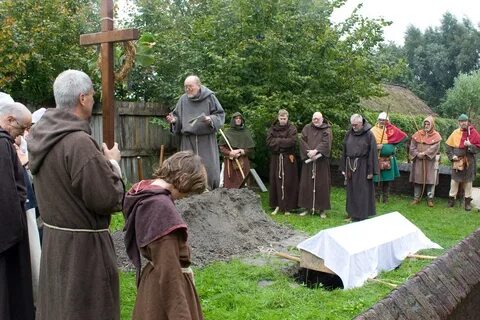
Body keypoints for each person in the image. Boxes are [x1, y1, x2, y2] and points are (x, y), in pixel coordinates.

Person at [27, 70, 125, 319]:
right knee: (86, 310)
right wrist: (112, 165)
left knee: (60, 308)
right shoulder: (78, 143)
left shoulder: (41, 136)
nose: (93, 100)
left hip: (55, 243)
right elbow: (108, 199)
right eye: (92, 95)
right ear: (83, 98)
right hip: (84, 253)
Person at [123, 151, 207, 320]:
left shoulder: (145, 192)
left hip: (153, 281)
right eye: (188, 192)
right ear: (183, 179)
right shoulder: (161, 208)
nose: (184, 197)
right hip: (163, 292)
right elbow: (169, 272)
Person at [0, 101, 35, 320]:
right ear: (9, 120)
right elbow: (6, 192)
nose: (20, 136)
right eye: (20, 129)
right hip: (6, 238)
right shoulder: (2, 145)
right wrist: (18, 233)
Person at [166, 75, 225, 190]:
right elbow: (177, 117)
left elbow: (220, 115)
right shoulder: (183, 100)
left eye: (190, 86)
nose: (188, 89)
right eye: (185, 87)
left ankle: (210, 191)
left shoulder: (210, 97)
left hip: (206, 140)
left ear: (198, 85)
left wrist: (210, 119)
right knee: (187, 168)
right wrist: (174, 121)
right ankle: (188, 192)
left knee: (209, 168)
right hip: (188, 140)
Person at [340, 114, 379, 221]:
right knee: (351, 191)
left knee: (362, 191)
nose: (353, 127)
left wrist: (371, 171)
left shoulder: (369, 135)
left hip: (363, 166)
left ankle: (362, 215)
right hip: (350, 165)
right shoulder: (349, 134)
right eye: (352, 125)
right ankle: (352, 214)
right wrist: (344, 167)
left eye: (355, 125)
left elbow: (373, 153)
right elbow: (344, 151)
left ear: (361, 123)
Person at [298, 112, 332, 218]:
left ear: (322, 119)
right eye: (314, 119)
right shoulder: (307, 128)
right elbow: (302, 140)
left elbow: (326, 143)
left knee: (322, 185)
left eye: (317, 118)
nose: (315, 120)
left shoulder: (327, 129)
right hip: (308, 161)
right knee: (306, 185)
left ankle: (322, 210)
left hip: (321, 162)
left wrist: (316, 151)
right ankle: (307, 208)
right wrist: (309, 152)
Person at [267, 109, 299, 215]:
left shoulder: (292, 128)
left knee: (288, 181)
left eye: (284, 118)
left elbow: (292, 141)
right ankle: (277, 204)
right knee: (276, 180)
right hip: (276, 158)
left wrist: (278, 141)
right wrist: (283, 141)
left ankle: (288, 206)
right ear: (278, 118)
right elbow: (269, 142)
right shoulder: (273, 128)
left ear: (287, 118)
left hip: (288, 159)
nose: (282, 121)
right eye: (281, 118)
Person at [445, 113, 480, 211]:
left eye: (464, 121)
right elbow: (448, 147)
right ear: (459, 122)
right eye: (461, 121)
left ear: (468, 122)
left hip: (469, 162)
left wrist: (470, 145)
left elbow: (478, 147)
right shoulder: (455, 133)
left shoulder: (473, 133)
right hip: (457, 161)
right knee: (454, 182)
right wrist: (452, 156)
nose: (463, 123)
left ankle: (467, 203)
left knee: (468, 183)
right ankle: (451, 200)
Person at [371, 112, 408, 203]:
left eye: (384, 120)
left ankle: (385, 199)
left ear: (387, 121)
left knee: (387, 181)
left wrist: (394, 146)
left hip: (389, 159)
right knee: (376, 180)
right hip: (377, 158)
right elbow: (367, 143)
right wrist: (376, 146)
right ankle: (376, 198)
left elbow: (404, 137)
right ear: (377, 120)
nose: (382, 122)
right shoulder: (373, 130)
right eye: (380, 120)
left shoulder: (391, 130)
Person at [409, 116, 442, 207]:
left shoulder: (436, 136)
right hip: (419, 161)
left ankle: (430, 199)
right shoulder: (417, 134)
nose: (426, 125)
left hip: (430, 161)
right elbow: (412, 147)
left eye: (428, 124)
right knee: (418, 179)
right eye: (425, 124)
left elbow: (435, 147)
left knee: (431, 179)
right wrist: (417, 154)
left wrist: (425, 153)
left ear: (432, 125)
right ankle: (416, 198)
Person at [218, 112, 255, 188]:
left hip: (243, 161)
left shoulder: (246, 132)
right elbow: (221, 147)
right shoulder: (227, 132)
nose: (238, 120)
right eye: (236, 118)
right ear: (233, 120)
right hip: (230, 162)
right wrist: (230, 153)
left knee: (243, 183)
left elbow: (250, 148)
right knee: (230, 185)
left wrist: (240, 151)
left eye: (239, 118)